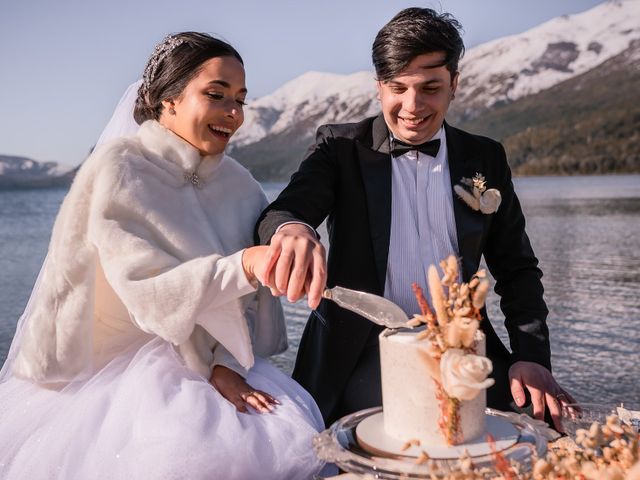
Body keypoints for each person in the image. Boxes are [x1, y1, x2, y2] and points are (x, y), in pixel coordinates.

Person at [0, 32, 332, 479]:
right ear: (167, 100)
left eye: (240, 99)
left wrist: (225, 365)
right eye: (215, 95)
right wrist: (245, 264)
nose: (233, 114)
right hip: (125, 379)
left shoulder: (241, 185)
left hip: (223, 363)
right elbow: (148, 295)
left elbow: (250, 302)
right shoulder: (119, 170)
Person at [256, 8, 575, 431]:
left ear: (454, 86)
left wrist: (531, 357)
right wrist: (293, 229)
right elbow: (284, 211)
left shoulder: (485, 157)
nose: (412, 105)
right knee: (410, 434)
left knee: (541, 433)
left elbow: (516, 269)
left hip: (464, 345)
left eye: (430, 88)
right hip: (362, 348)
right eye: (398, 88)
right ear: (378, 88)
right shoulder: (340, 148)